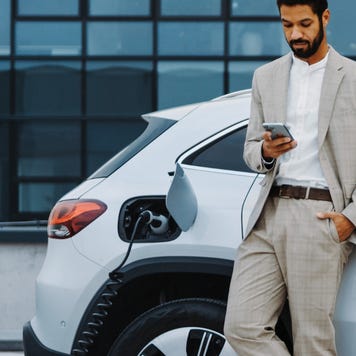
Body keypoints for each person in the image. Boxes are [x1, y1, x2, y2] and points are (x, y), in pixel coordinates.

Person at [224, 0, 356, 355]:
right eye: (286, 25)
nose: (295, 34)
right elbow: (251, 149)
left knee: (313, 339)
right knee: (242, 327)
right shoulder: (266, 77)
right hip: (268, 214)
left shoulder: (354, 79)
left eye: (304, 24)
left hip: (320, 216)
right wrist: (267, 152)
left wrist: (350, 219)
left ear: (325, 18)